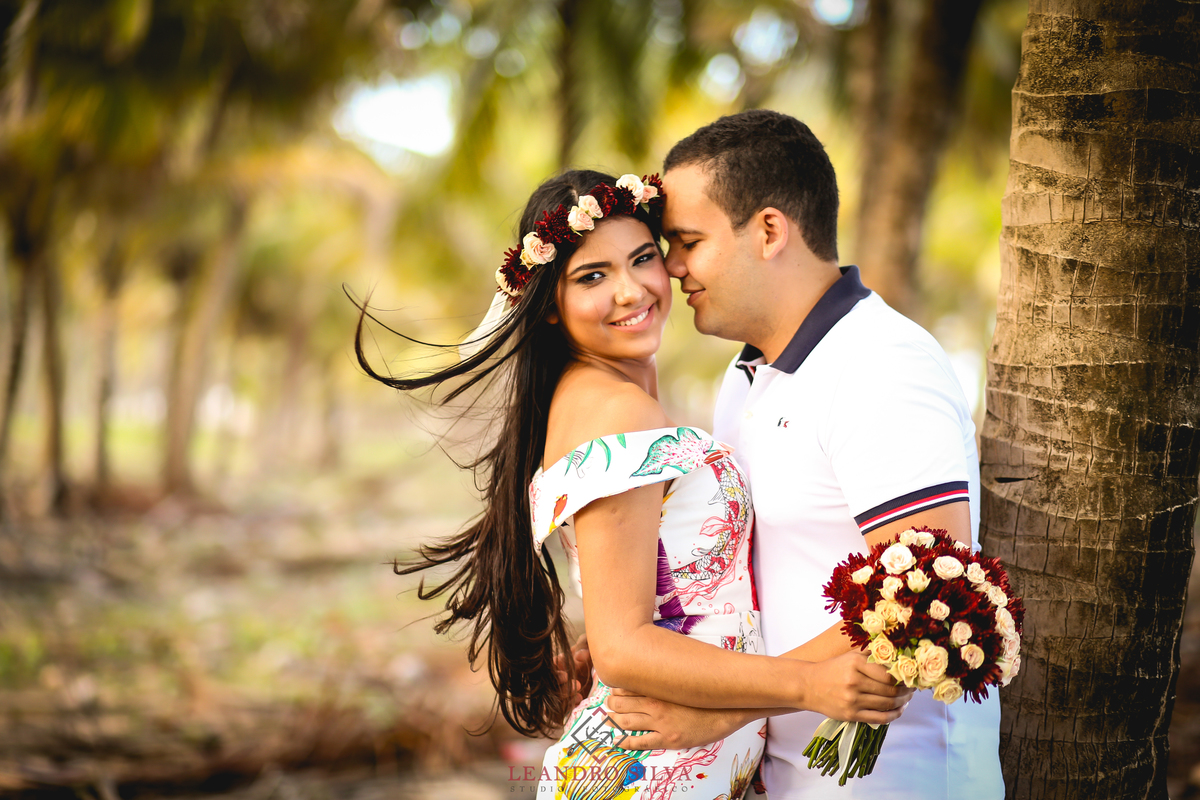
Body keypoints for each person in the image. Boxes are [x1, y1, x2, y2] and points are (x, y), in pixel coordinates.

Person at [355, 168, 911, 799]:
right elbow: (624, 651)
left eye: (643, 258)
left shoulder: (601, 399)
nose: (631, 290)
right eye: (592, 276)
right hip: (647, 771)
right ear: (549, 308)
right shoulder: (617, 413)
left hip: (676, 760)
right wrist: (807, 688)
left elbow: (642, 605)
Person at [602, 110, 1004, 799]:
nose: (670, 268)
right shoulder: (746, 378)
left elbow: (928, 608)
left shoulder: (880, 367)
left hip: (893, 781)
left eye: (688, 241)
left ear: (768, 230)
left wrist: (718, 711)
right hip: (784, 773)